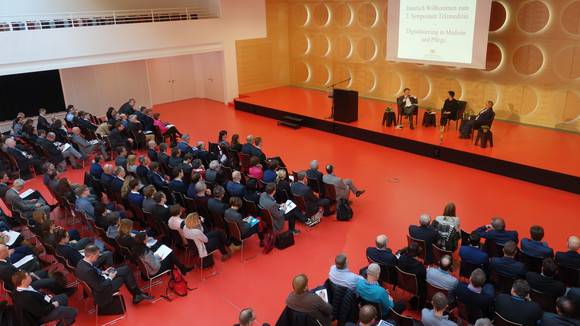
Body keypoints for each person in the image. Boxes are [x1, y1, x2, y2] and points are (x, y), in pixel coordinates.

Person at [76, 244, 153, 311]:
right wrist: (110, 278)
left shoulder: (81, 262)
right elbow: (99, 287)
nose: (98, 257)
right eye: (97, 255)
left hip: (101, 279)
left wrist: (103, 272)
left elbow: (92, 277)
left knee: (126, 269)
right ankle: (137, 294)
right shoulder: (88, 271)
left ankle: (137, 294)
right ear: (92, 255)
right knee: (124, 277)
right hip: (102, 291)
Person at [0, 244, 73, 295]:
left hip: (23, 276)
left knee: (44, 273)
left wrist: (29, 274)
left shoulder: (3, 260)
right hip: (24, 285)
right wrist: (29, 275)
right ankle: (63, 293)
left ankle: (52, 288)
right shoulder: (4, 269)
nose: (7, 248)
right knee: (53, 281)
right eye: (5, 249)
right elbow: (17, 280)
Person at [11, 270, 78, 326]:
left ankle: (65, 317)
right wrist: (53, 306)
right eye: (28, 276)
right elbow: (40, 312)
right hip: (42, 315)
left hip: (44, 304)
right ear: (24, 281)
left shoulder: (18, 289)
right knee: (74, 312)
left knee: (64, 297)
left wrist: (47, 297)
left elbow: (37, 296)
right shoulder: (26, 298)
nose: (30, 276)